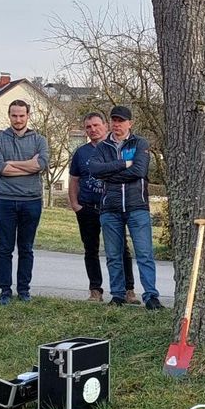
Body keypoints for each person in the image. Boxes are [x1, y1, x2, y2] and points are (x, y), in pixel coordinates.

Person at [95, 104, 163, 311]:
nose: (117, 125)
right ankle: (117, 295)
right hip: (110, 209)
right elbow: (95, 170)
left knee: (144, 254)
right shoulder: (102, 147)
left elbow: (139, 171)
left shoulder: (140, 143)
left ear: (130, 123)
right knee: (114, 255)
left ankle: (151, 295)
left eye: (121, 121)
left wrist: (110, 174)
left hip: (137, 207)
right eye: (114, 120)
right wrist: (123, 165)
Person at [68, 111, 135, 304]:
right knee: (91, 249)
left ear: (105, 126)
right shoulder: (81, 153)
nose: (93, 130)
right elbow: (74, 180)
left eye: (97, 125)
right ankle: (95, 290)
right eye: (88, 127)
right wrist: (75, 205)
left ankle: (128, 290)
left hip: (112, 207)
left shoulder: (116, 148)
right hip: (87, 207)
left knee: (121, 249)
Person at [0, 98, 48, 306]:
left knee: (26, 248)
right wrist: (26, 165)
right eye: (14, 115)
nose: (18, 119)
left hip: (31, 202)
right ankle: (5, 291)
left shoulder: (40, 140)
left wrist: (12, 164)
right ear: (9, 116)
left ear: (28, 116)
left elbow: (40, 165)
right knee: (5, 248)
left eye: (22, 115)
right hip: (4, 201)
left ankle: (24, 290)